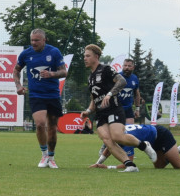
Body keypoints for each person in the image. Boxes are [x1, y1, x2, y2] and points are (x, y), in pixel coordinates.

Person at [79, 44, 157, 173]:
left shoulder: (105, 69)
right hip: (100, 114)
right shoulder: (90, 77)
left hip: (113, 109)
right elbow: (94, 98)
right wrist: (88, 111)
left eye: (87, 56)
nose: (84, 58)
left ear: (96, 57)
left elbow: (122, 81)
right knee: (107, 141)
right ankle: (130, 165)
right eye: (84, 56)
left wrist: (110, 94)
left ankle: (144, 145)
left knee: (117, 137)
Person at [13, 28, 68, 168]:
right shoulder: (26, 54)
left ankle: (51, 156)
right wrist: (18, 85)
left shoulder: (54, 52)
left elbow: (64, 72)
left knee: (52, 128)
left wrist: (51, 74)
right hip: (36, 95)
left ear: (44, 40)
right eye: (32, 40)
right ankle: (44, 155)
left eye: (37, 40)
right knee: (39, 124)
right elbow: (16, 70)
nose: (34, 43)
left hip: (53, 95)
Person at [92, 125, 180, 169]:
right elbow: (110, 147)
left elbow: (128, 163)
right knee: (159, 166)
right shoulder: (116, 132)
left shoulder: (124, 139)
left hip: (161, 135)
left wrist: (108, 167)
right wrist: (98, 163)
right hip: (152, 138)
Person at [118, 58, 142, 124]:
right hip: (117, 108)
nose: (127, 68)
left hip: (128, 108)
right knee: (118, 130)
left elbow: (137, 94)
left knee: (130, 129)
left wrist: (137, 109)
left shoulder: (134, 78)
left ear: (133, 67)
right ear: (122, 66)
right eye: (125, 65)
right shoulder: (117, 77)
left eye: (129, 66)